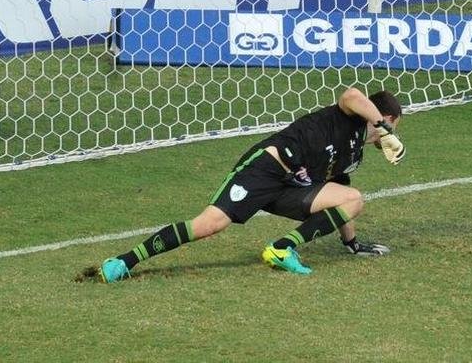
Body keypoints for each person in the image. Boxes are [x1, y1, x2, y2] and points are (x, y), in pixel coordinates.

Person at [93, 87, 406, 282]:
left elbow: (340, 196)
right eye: (394, 126)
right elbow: (352, 95)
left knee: (353, 198)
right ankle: (123, 261)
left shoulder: (353, 154)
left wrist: (352, 243)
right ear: (386, 117)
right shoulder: (349, 114)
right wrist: (383, 128)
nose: (391, 135)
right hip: (265, 170)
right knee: (209, 225)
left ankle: (281, 249)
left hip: (291, 189)